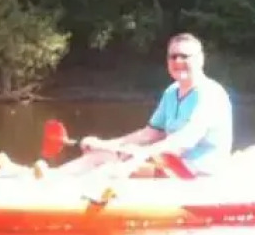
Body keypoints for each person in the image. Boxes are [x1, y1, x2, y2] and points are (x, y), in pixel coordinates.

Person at [56, 33, 233, 178]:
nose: (178, 61)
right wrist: (107, 144)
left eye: (185, 56)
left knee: (113, 169)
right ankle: (50, 180)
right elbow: (152, 133)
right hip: (171, 164)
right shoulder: (172, 92)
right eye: (173, 56)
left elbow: (183, 141)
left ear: (200, 59)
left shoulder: (211, 94)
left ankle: (71, 201)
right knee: (98, 156)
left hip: (197, 172)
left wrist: (142, 153)